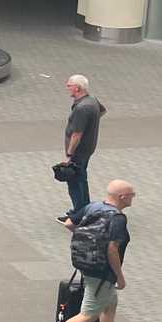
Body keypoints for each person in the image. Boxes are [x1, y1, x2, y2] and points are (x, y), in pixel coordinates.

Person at [35, 179, 137, 322]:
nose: (133, 197)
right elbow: (112, 249)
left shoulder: (93, 207)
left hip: (86, 263)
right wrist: (119, 277)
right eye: (132, 194)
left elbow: (68, 223)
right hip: (101, 271)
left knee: (110, 302)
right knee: (88, 314)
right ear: (123, 197)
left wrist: (86, 240)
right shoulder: (117, 218)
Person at [58, 74, 106, 227]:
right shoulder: (92, 100)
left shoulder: (82, 108)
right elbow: (102, 111)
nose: (67, 86)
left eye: (69, 85)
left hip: (79, 151)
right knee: (81, 179)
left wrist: (69, 154)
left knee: (75, 182)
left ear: (77, 88)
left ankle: (79, 215)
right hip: (88, 148)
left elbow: (77, 134)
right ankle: (85, 210)